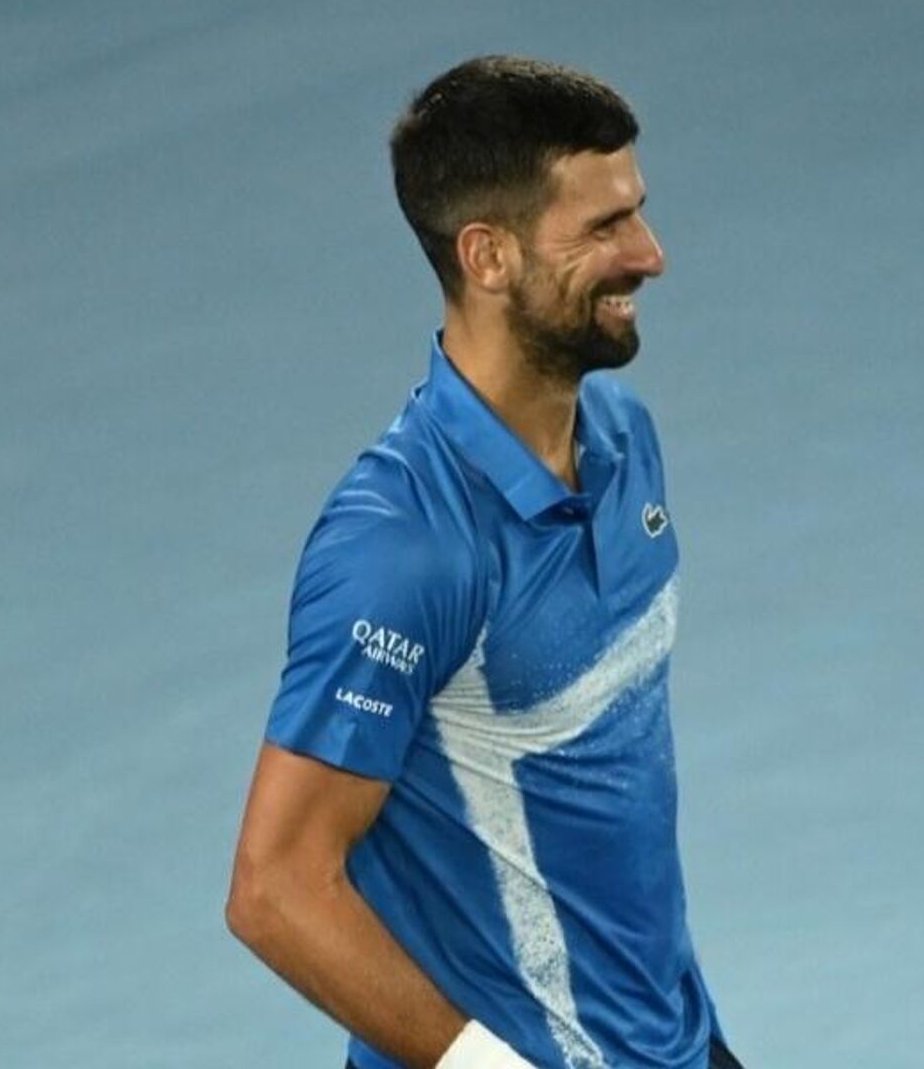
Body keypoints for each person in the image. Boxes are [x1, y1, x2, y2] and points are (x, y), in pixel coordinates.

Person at [225, 55, 740, 1069]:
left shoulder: (622, 436)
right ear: (488, 257)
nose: (650, 255)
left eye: (637, 212)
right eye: (604, 228)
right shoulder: (404, 547)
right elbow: (275, 887)